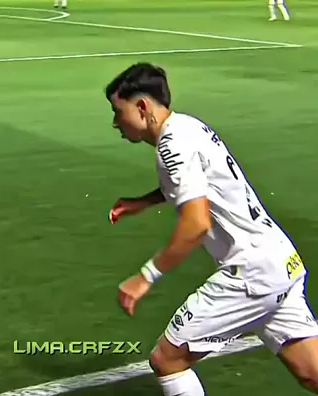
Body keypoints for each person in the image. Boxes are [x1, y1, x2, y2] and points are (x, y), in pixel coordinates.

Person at [106, 62, 318, 395]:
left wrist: (145, 277)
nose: (115, 122)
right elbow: (199, 182)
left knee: (167, 360)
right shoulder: (188, 126)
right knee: (312, 373)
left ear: (143, 107)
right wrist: (144, 201)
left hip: (250, 274)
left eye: (118, 112)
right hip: (279, 260)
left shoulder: (172, 145)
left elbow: (196, 223)